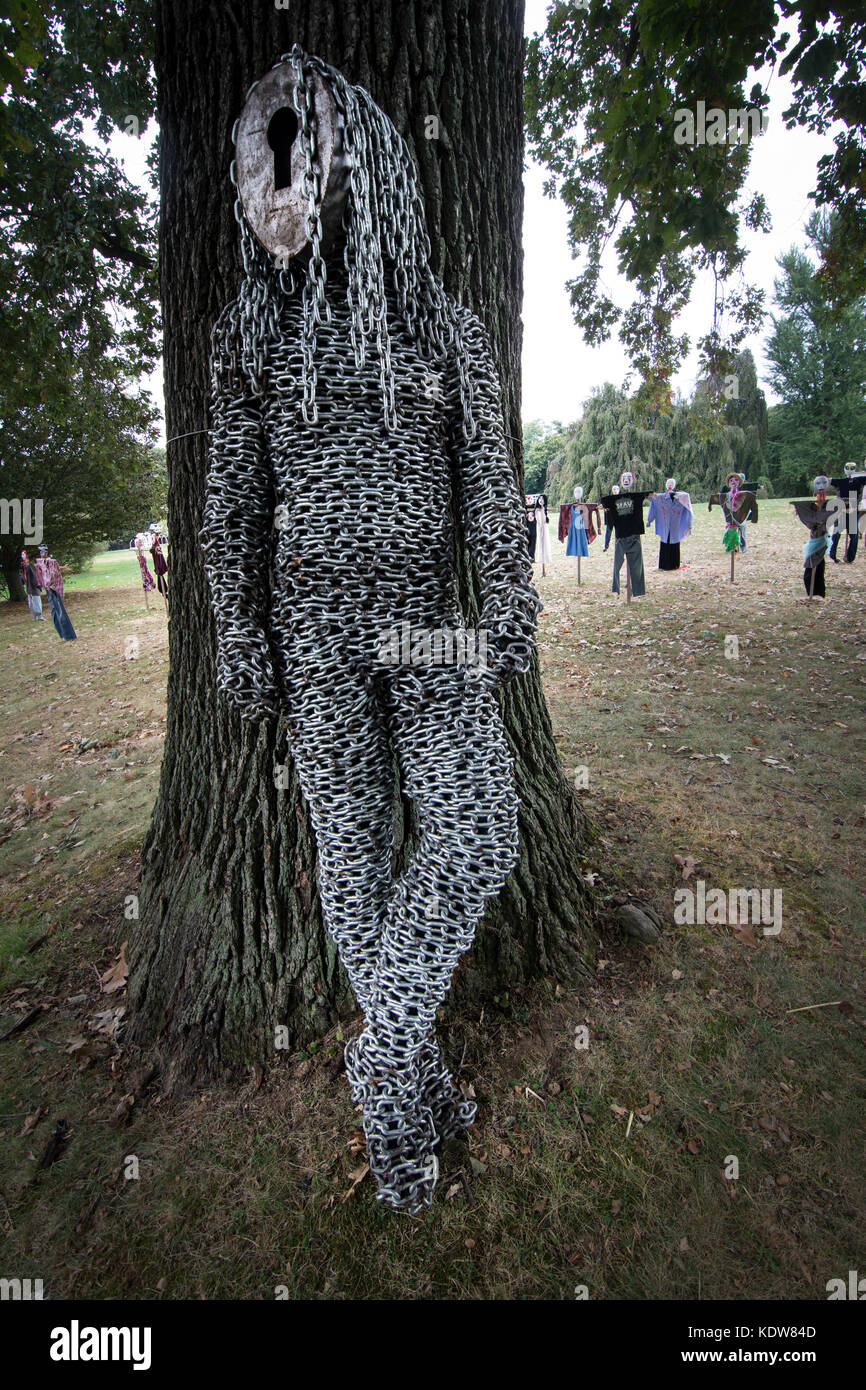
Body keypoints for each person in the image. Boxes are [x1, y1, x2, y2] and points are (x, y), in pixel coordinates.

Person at [35, 544, 76, 640]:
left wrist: (49, 583)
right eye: (40, 552)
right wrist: (42, 584)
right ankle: (62, 634)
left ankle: (69, 635)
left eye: (43, 551)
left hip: (54, 588)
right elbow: (41, 575)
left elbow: (53, 573)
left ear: (46, 552)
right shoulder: (40, 563)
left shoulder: (52, 562)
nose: (42, 553)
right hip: (48, 589)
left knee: (60, 611)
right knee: (54, 611)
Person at [20, 550, 45, 620]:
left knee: (36, 600)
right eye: (22, 555)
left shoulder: (30, 565)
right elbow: (24, 576)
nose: (22, 556)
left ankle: (39, 615)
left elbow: (34, 575)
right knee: (31, 602)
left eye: (23, 555)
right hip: (29, 586)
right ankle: (34, 615)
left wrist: (37, 585)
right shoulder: (24, 565)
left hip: (34, 586)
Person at [135, 535, 157, 609]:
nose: (139, 543)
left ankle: (150, 584)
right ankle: (148, 585)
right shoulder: (137, 550)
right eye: (138, 542)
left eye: (140, 542)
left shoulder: (142, 550)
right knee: (145, 575)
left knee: (146, 574)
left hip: (144, 565)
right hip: (143, 567)